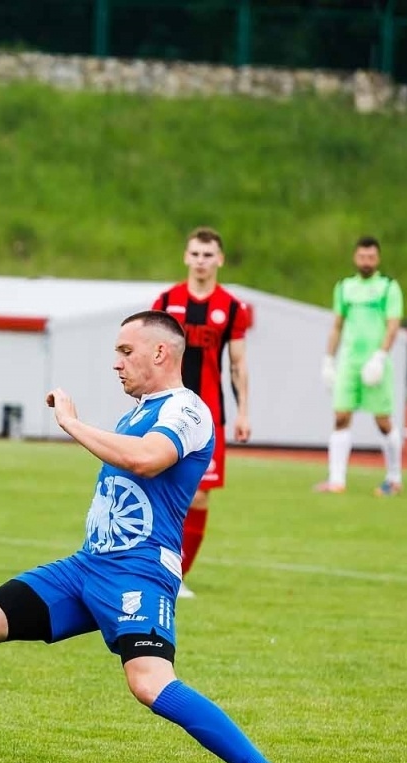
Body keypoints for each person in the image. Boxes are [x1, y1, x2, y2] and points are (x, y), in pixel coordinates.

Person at [0, 311, 313, 763]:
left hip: (138, 573)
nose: (116, 363)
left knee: (149, 683)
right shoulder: (138, 411)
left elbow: (146, 459)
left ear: (160, 353)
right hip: (87, 567)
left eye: (126, 351)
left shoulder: (188, 410)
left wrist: (72, 423)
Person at [152, 227, 252, 598]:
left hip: (209, 414)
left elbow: (238, 364)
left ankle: (176, 576)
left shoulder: (231, 307)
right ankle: (149, 566)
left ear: (219, 260)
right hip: (167, 410)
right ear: (186, 257)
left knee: (198, 496)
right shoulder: (167, 300)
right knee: (157, 488)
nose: (201, 261)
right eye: (195, 254)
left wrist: (244, 412)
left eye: (208, 255)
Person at [318, 236, 404, 496]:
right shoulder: (345, 287)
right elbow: (337, 325)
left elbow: (392, 326)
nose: (366, 261)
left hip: (375, 361)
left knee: (382, 420)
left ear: (378, 259)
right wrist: (329, 359)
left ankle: (394, 478)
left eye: (371, 257)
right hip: (349, 361)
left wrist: (380, 356)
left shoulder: (388, 287)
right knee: (341, 416)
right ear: (355, 257)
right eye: (362, 256)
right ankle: (336, 479)